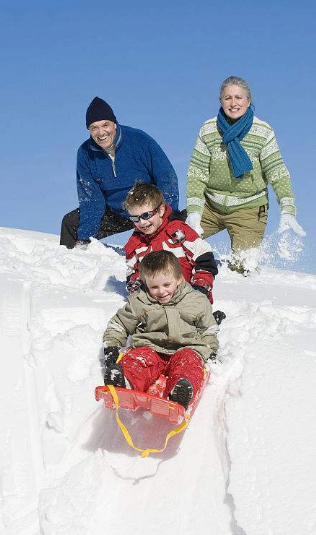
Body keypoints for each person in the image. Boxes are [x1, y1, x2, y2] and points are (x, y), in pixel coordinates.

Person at [184, 76, 305, 272]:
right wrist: (194, 212)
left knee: (242, 267)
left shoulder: (262, 132)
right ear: (220, 101)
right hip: (211, 206)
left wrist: (288, 208)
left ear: (248, 101)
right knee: (176, 245)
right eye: (227, 97)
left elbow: (277, 171)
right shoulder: (208, 129)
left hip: (248, 208)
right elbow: (197, 173)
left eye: (239, 97)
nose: (233, 103)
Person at [101, 250, 219, 408]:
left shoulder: (196, 301)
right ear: (145, 283)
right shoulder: (140, 301)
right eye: (154, 287)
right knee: (138, 359)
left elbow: (208, 329)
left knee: (189, 363)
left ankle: (180, 390)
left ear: (178, 279)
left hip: (185, 347)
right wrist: (112, 345)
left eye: (166, 285)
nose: (161, 291)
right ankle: (126, 382)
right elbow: (120, 323)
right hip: (152, 347)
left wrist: (210, 349)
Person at [60, 97, 179, 249]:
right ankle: (73, 264)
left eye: (105, 125)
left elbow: (166, 177)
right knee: (71, 223)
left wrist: (169, 214)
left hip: (146, 208)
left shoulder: (140, 140)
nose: (101, 132)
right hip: (115, 211)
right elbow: (91, 199)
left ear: (114, 124)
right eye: (94, 128)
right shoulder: (85, 153)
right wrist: (83, 238)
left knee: (163, 237)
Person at [122, 183, 218, 303]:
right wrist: (137, 286)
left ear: (161, 210)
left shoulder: (178, 231)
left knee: (190, 311)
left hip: (189, 297)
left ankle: (202, 318)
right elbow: (133, 273)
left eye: (146, 215)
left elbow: (205, 261)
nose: (142, 222)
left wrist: (200, 287)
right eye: (135, 219)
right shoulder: (137, 243)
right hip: (157, 300)